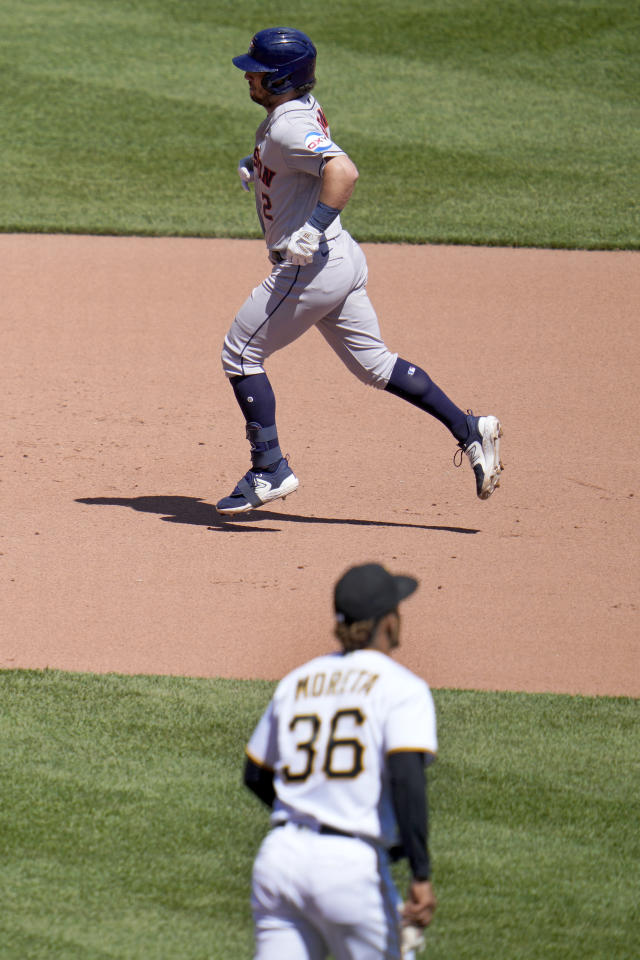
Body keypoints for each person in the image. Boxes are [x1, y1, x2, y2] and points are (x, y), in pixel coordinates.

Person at [217, 27, 503, 514]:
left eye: (258, 72)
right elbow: (302, 157)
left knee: (240, 354)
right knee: (376, 366)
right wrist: (260, 163)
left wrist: (312, 227)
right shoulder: (294, 114)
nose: (249, 77)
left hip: (310, 269)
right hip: (342, 258)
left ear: (282, 78)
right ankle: (468, 429)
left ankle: (270, 468)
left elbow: (342, 171)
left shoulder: (286, 127)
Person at [243, 562, 438, 959]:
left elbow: (255, 773)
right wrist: (420, 873)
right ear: (387, 623)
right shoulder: (403, 687)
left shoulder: (297, 681)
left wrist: (306, 809)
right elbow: (406, 780)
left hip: (279, 860)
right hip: (349, 869)